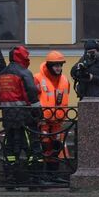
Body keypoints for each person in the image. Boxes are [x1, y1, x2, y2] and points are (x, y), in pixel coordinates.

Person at [0, 46, 43, 188]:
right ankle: (34, 179)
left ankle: (10, 178)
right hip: (25, 116)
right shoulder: (24, 72)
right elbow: (31, 92)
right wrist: (38, 112)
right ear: (23, 57)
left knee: (9, 147)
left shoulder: (1, 74)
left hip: (8, 117)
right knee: (32, 147)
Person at [35, 49, 71, 180]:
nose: (59, 68)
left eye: (60, 65)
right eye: (56, 65)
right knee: (44, 146)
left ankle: (53, 175)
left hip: (58, 121)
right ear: (49, 65)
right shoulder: (38, 78)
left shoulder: (65, 80)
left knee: (56, 147)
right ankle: (42, 175)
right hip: (43, 121)